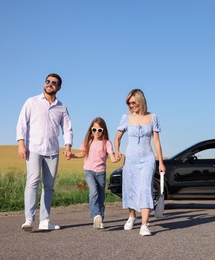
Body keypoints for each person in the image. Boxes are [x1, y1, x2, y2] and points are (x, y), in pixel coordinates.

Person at [16, 73, 73, 231]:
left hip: (52, 151)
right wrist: (21, 144)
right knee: (33, 181)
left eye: (54, 83)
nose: (50, 84)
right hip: (33, 148)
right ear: (44, 83)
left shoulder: (61, 107)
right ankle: (29, 219)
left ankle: (45, 220)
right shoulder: (32, 101)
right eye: (48, 81)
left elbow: (67, 128)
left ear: (59, 87)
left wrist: (68, 147)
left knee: (49, 185)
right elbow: (22, 124)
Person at [114, 88, 166, 236]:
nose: (131, 106)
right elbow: (117, 138)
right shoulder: (126, 118)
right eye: (129, 103)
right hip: (130, 159)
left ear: (141, 101)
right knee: (130, 188)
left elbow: (156, 141)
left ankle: (144, 225)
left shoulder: (153, 117)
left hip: (147, 159)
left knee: (145, 189)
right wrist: (117, 152)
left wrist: (161, 162)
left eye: (133, 102)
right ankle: (131, 216)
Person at [70, 117, 118, 229]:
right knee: (93, 192)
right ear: (91, 129)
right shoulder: (88, 141)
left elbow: (111, 156)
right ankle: (95, 216)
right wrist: (72, 155)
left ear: (103, 130)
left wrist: (115, 159)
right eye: (94, 129)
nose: (97, 132)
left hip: (101, 172)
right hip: (89, 171)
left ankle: (100, 219)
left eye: (99, 130)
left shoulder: (106, 143)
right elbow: (82, 153)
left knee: (101, 198)